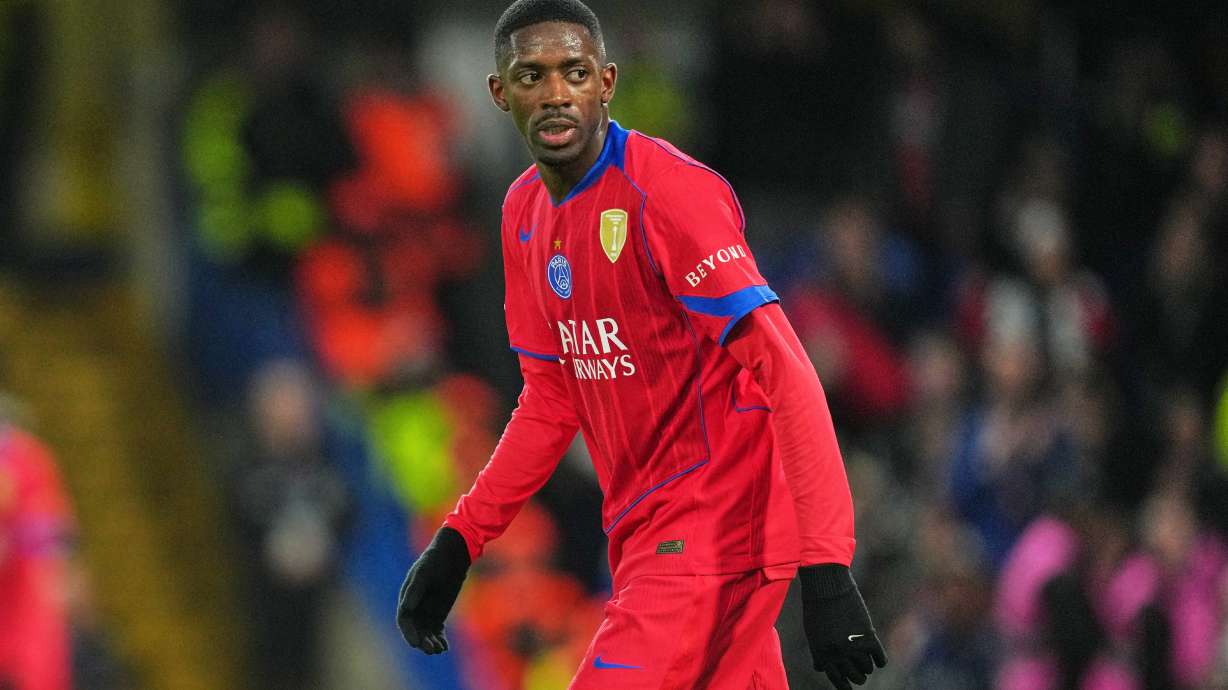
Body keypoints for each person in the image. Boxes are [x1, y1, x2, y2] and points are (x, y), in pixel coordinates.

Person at [396, 2, 887, 688]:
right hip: (645, 538)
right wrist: (459, 541)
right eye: (532, 75)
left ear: (607, 82)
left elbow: (786, 371)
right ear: (500, 93)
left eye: (574, 72)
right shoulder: (522, 216)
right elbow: (550, 400)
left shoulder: (668, 192)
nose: (556, 93)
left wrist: (827, 565)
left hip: (709, 536)